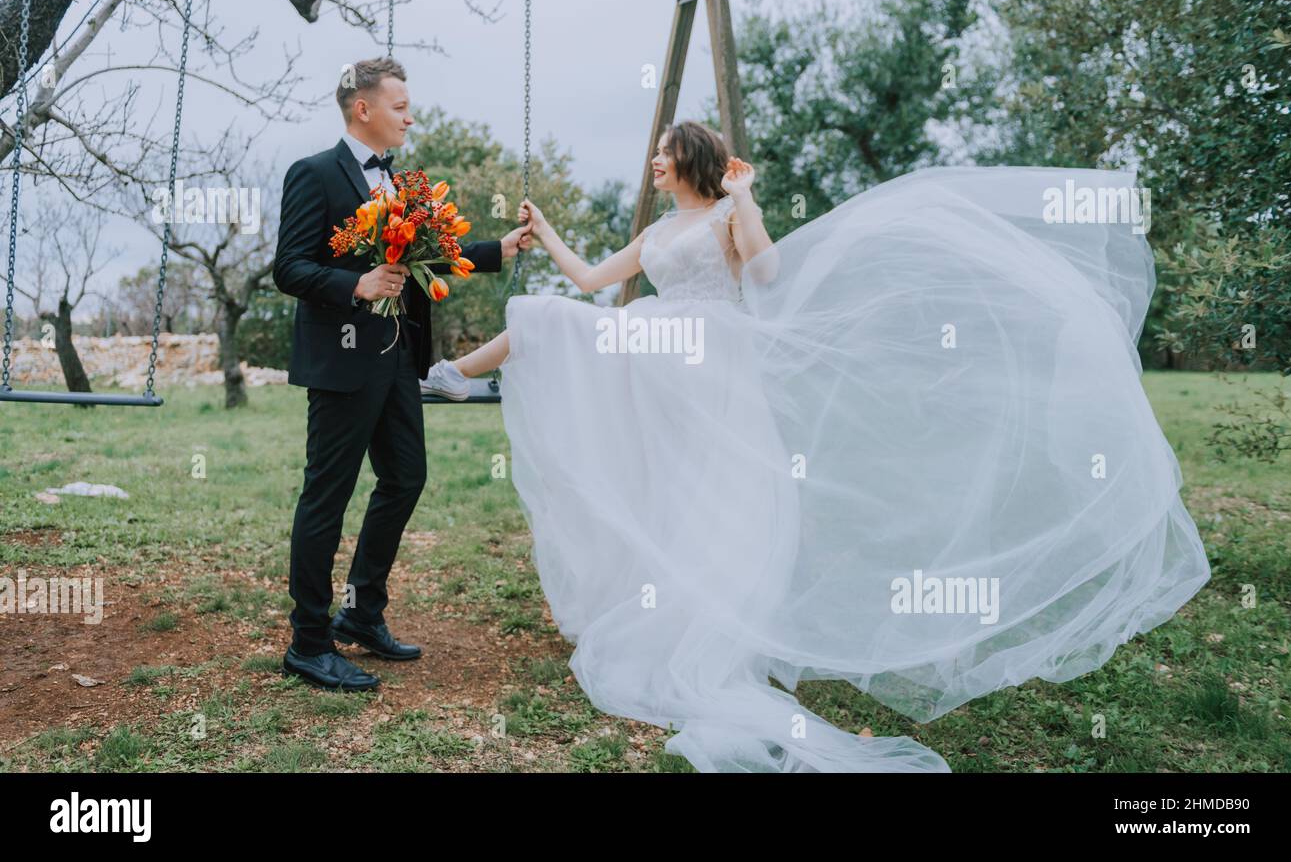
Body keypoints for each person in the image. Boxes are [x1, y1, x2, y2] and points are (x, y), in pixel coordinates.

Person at [423, 119, 1211, 771]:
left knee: (708, 484)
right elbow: (595, 280)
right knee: (554, 316)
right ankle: (456, 375)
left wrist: (747, 196)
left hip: (710, 361)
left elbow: (764, 273)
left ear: (690, 158)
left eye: (663, 152)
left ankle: (697, 606)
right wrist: (547, 232)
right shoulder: (659, 229)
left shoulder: (725, 215)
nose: (654, 162)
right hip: (658, 349)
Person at [272, 56, 532, 691]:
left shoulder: (399, 185)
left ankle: (361, 613)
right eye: (400, 106)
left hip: (396, 361)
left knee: (406, 477)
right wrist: (354, 284)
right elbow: (288, 268)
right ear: (364, 109)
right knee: (326, 497)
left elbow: (428, 254)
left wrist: (496, 251)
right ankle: (308, 643)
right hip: (341, 360)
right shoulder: (313, 174)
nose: (410, 116)